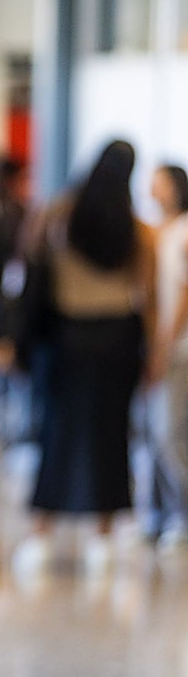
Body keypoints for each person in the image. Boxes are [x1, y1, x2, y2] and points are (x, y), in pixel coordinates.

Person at [12, 140, 156, 577]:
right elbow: (146, 296)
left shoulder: (58, 214)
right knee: (111, 437)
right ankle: (103, 533)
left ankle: (40, 531)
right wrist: (152, 352)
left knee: (56, 434)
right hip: (118, 340)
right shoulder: (136, 229)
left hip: (67, 340)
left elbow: (29, 270)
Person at [143, 164, 188, 552]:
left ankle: (181, 514)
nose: (151, 190)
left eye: (158, 184)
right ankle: (156, 514)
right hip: (160, 346)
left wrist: (165, 344)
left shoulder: (184, 233)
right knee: (154, 431)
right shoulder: (158, 233)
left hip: (179, 350)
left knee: (169, 431)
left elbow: (184, 296)